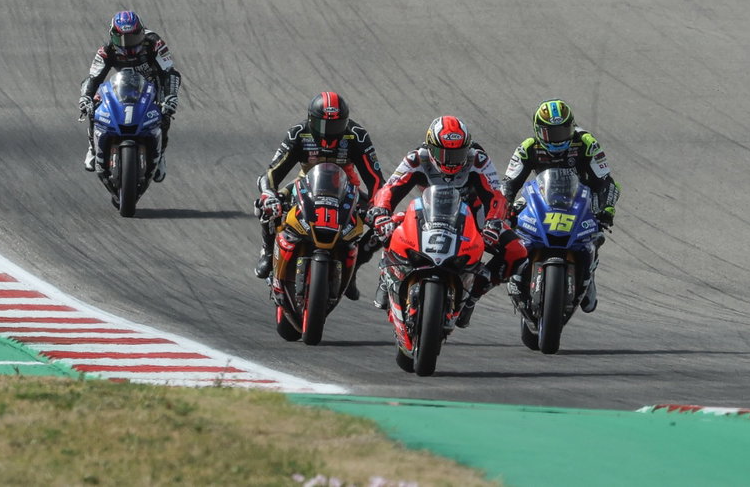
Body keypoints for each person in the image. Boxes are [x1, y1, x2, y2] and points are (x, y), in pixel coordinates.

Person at [366, 115, 522, 327]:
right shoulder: (416, 159)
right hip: (428, 214)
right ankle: (388, 273)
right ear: (431, 148)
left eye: (458, 153)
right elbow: (390, 189)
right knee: (388, 225)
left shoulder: (478, 160)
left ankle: (473, 295)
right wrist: (381, 212)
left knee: (517, 251)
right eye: (443, 153)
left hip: (471, 220)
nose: (451, 160)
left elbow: (496, 196)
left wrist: (493, 223)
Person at [253, 92, 385, 297]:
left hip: (347, 189)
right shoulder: (299, 133)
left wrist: (378, 209)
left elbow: (376, 181)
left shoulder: (356, 135)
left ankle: (354, 268)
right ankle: (268, 252)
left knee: (383, 225)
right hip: (305, 184)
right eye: (323, 126)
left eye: (335, 126)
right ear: (311, 120)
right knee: (266, 206)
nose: (328, 133)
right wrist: (269, 195)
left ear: (345, 122)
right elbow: (270, 174)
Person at [501, 99, 620, 312]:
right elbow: (509, 184)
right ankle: (517, 271)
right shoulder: (528, 147)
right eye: (550, 133)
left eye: (562, 131)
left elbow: (607, 181)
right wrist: (505, 207)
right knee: (512, 220)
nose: (557, 139)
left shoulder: (585, 142)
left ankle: (588, 274)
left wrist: (607, 209)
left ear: (572, 126)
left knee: (595, 233)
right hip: (542, 195)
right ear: (539, 131)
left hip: (580, 198)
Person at [78, 11, 182, 180]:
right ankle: (92, 148)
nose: (127, 46)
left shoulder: (155, 43)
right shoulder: (106, 50)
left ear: (141, 33)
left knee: (164, 114)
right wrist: (85, 97)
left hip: (152, 85)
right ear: (113, 37)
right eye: (121, 40)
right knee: (94, 105)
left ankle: (160, 155)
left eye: (132, 39)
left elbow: (170, 72)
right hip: (123, 84)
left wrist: (171, 96)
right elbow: (93, 78)